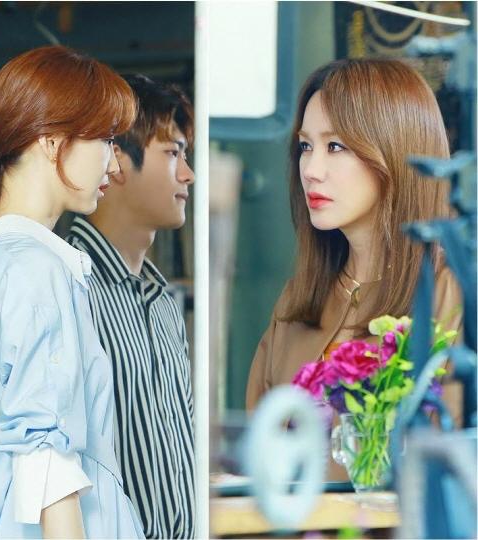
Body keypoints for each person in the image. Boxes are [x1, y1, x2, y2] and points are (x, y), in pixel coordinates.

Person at [0, 45, 144, 539]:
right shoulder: (34, 268)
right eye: (106, 140)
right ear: (53, 142)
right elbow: (46, 457)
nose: (115, 165)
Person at [246, 58, 462, 479]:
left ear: (396, 150)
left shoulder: (449, 293)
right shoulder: (297, 301)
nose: (312, 170)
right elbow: (254, 456)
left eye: (336, 146)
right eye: (305, 146)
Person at [66, 74, 195, 538]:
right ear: (116, 159)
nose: (188, 175)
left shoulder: (163, 302)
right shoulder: (68, 284)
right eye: (173, 153)